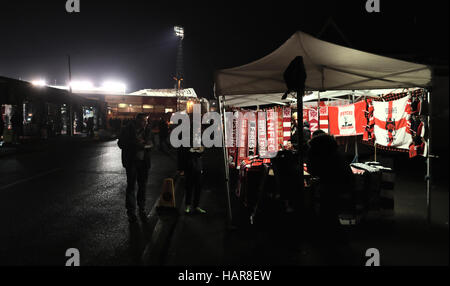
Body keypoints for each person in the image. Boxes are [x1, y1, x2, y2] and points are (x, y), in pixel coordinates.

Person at [118, 113, 154, 223]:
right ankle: (131, 211)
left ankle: (141, 208)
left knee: (143, 185)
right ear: (137, 120)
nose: (146, 123)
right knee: (131, 186)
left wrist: (149, 145)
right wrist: (136, 144)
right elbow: (121, 144)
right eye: (144, 121)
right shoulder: (127, 129)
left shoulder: (147, 129)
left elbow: (153, 143)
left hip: (144, 162)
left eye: (147, 121)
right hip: (132, 161)